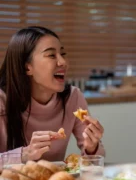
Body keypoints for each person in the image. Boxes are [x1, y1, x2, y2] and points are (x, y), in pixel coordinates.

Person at [0, 26, 105, 164]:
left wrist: (92, 148)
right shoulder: (2, 100)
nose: (63, 62)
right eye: (51, 55)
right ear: (27, 67)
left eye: (63, 54)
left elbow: (96, 161)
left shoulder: (72, 97)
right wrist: (25, 154)